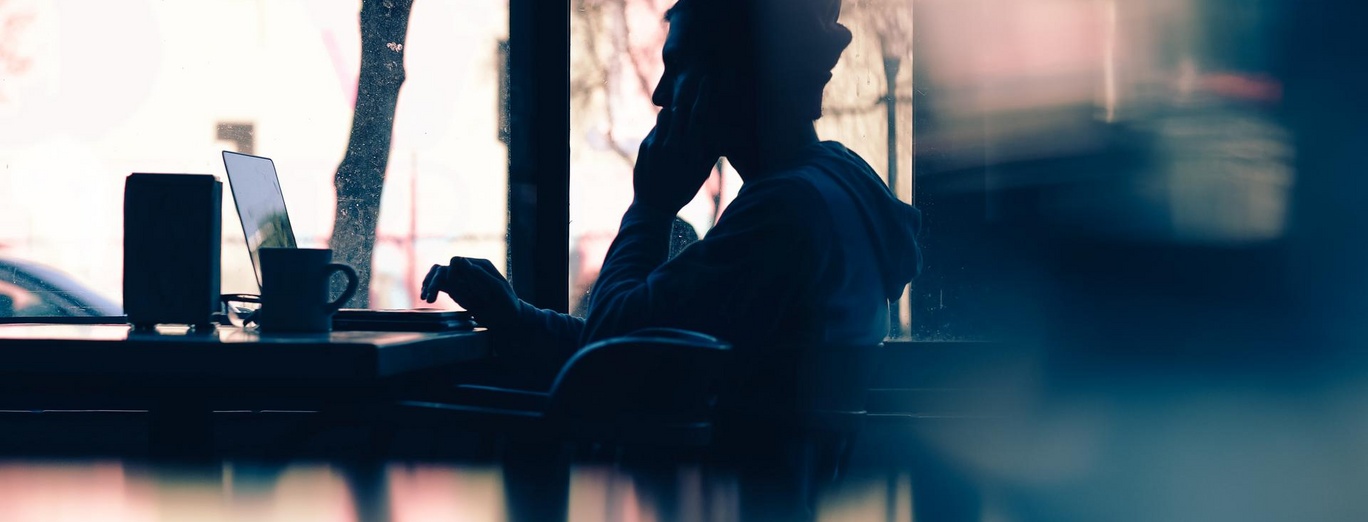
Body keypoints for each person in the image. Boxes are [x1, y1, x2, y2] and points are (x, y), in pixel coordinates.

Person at [421, 0, 922, 386]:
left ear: (740, 76)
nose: (662, 94)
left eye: (679, 65)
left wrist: (651, 207)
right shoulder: (834, 186)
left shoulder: (782, 215)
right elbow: (646, 335)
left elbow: (610, 355)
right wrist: (516, 317)